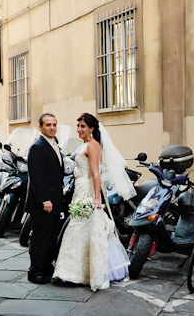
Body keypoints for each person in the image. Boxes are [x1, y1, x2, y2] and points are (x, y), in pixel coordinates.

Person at [53, 113, 134, 291]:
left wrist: (96, 198)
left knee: (87, 228)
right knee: (79, 228)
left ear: (91, 128)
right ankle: (73, 271)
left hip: (88, 191)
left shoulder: (92, 146)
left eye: (83, 126)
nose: (79, 129)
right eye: (78, 126)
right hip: (80, 190)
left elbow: (96, 174)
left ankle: (82, 272)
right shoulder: (86, 144)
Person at [25, 113, 64, 285]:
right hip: (43, 203)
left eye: (54, 124)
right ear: (40, 127)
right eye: (48, 125)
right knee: (40, 238)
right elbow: (36, 177)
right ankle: (35, 272)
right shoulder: (37, 147)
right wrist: (44, 200)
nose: (52, 128)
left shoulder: (53, 144)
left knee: (51, 237)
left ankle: (47, 267)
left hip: (55, 201)